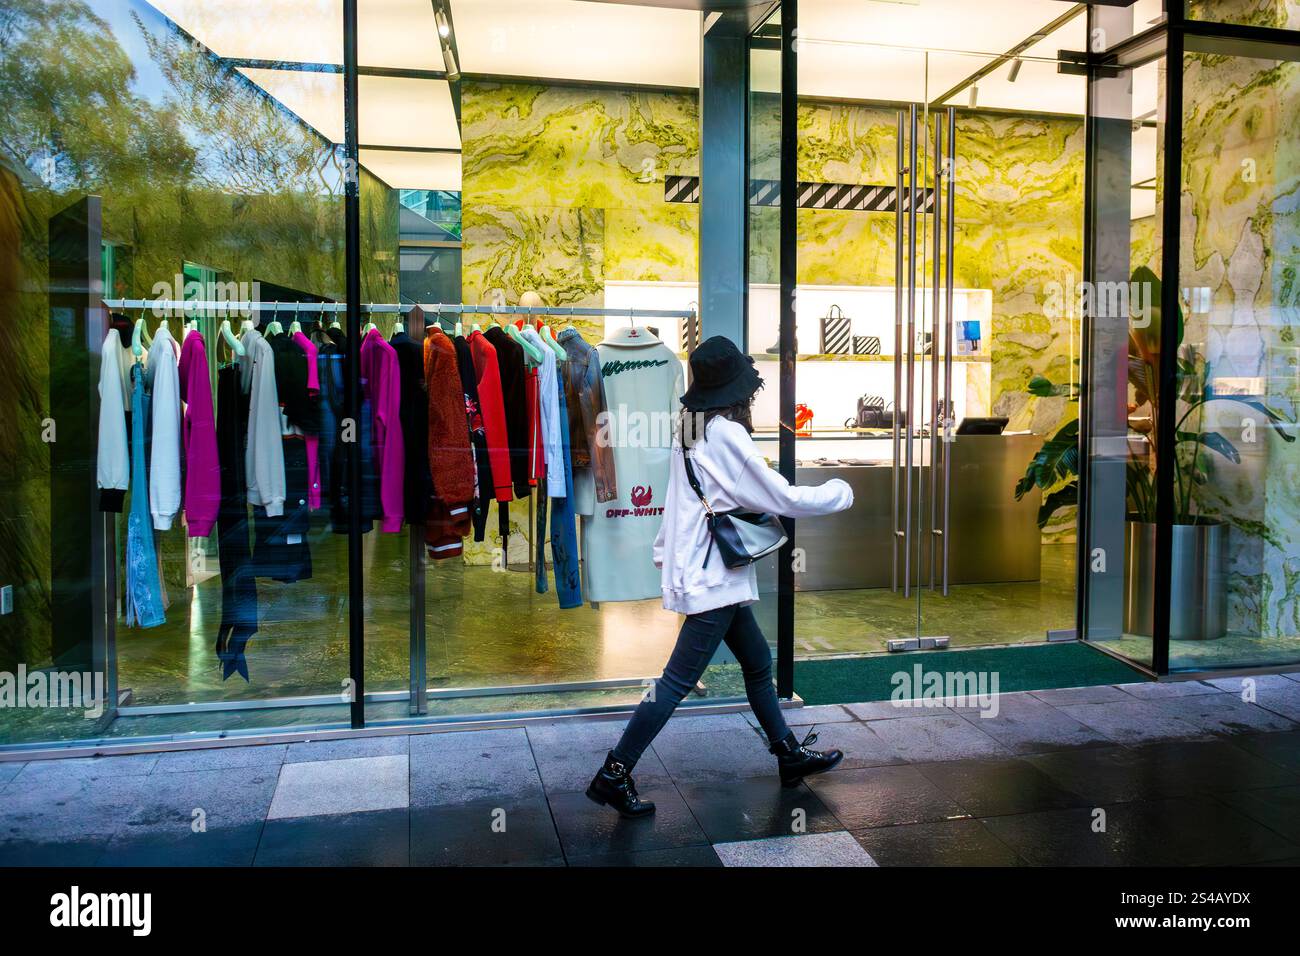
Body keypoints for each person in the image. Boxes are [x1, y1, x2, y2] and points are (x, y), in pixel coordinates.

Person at [587, 336, 855, 818]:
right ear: (736, 389)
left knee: (756, 664)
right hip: (714, 580)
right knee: (674, 684)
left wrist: (665, 554)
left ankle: (788, 755)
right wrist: (840, 492)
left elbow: (680, 499)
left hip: (710, 572)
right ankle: (614, 773)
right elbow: (782, 498)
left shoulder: (690, 426)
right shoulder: (727, 433)